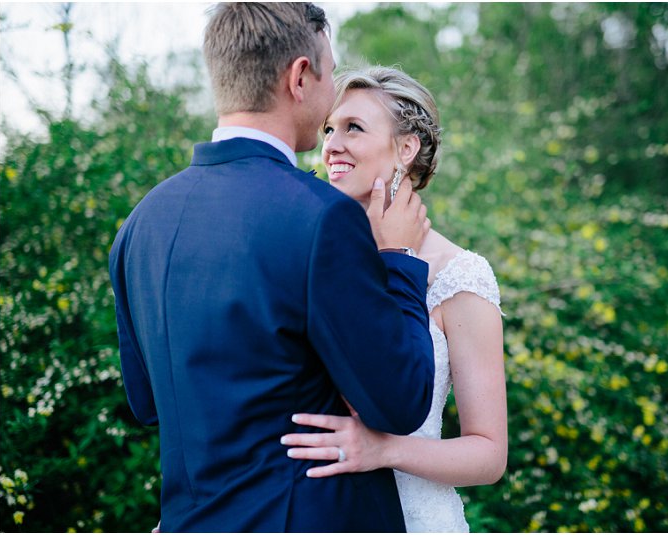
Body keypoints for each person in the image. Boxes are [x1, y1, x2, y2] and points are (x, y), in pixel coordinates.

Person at [108, 4, 437, 532]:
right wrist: (398, 261)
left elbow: (147, 402)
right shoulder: (322, 217)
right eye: (330, 73)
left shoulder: (140, 225)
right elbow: (401, 401)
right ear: (300, 77)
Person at [279, 66, 507, 532]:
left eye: (354, 128)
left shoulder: (459, 276)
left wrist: (385, 450)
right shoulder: (312, 254)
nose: (332, 145)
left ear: (406, 149)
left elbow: (488, 454)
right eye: (329, 129)